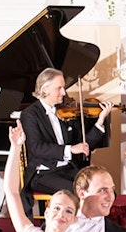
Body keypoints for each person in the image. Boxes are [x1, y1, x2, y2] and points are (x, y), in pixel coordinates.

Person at [19, 67, 112, 220]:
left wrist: (100, 120)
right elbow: (37, 148)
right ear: (45, 89)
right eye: (59, 88)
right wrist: (69, 149)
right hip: (43, 173)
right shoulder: (30, 114)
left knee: (101, 188)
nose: (64, 92)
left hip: (67, 169)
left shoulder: (62, 112)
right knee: (80, 192)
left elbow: (83, 145)